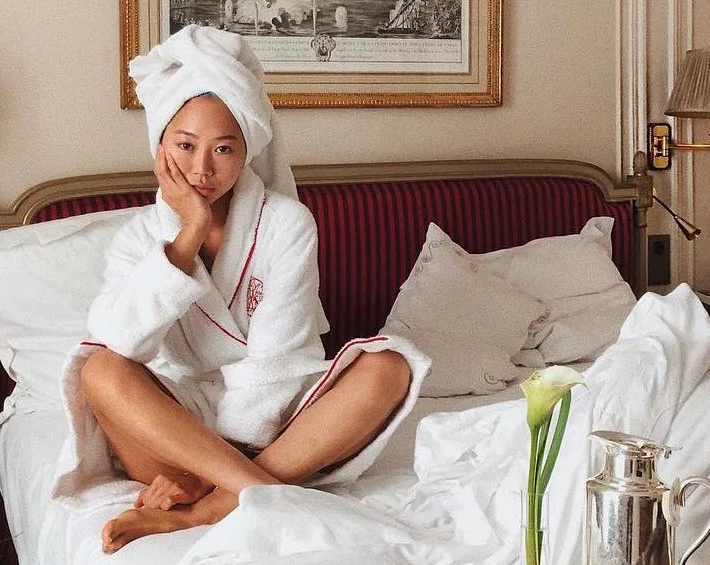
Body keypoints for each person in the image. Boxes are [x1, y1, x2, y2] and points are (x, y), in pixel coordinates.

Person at [52, 24, 432, 554]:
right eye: (185, 145)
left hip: (273, 422)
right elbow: (120, 339)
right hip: (173, 431)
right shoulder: (138, 237)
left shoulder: (286, 224)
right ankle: (263, 491)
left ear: (247, 149)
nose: (201, 169)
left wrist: (216, 473)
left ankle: (210, 506)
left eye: (224, 149)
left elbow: (279, 358)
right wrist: (184, 239)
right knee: (99, 367)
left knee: (390, 366)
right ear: (161, 146)